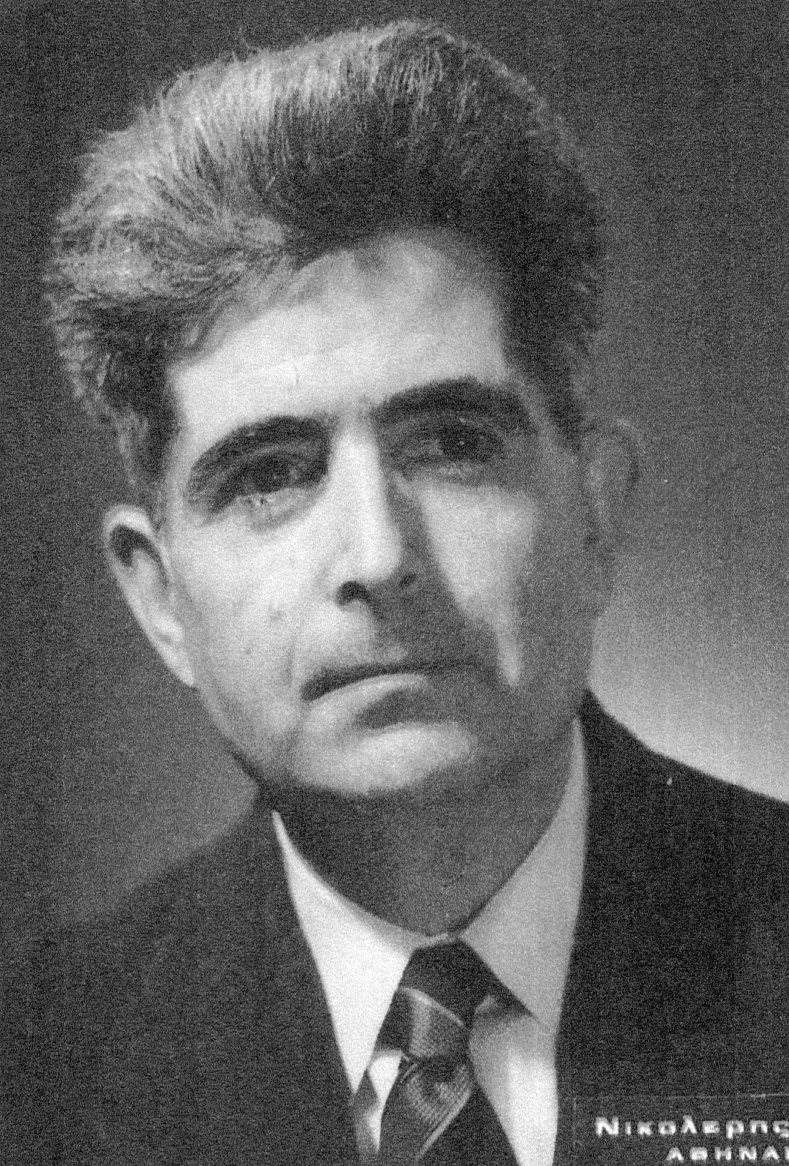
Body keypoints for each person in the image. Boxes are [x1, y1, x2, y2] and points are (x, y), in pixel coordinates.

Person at [25, 18, 789, 1166]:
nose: (378, 554)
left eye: (451, 442)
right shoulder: (40, 1066)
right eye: (270, 474)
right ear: (161, 599)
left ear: (595, 514)